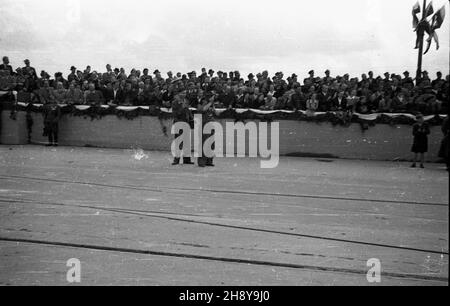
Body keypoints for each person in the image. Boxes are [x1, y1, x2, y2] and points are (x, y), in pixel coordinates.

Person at [171, 93, 195, 165]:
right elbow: (176, 114)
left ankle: (187, 159)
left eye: (185, 93)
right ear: (179, 94)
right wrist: (182, 107)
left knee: (187, 142)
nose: (184, 94)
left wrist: (191, 118)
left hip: (186, 124)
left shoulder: (185, 101)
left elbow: (187, 111)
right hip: (179, 124)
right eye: (182, 92)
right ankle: (176, 159)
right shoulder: (175, 103)